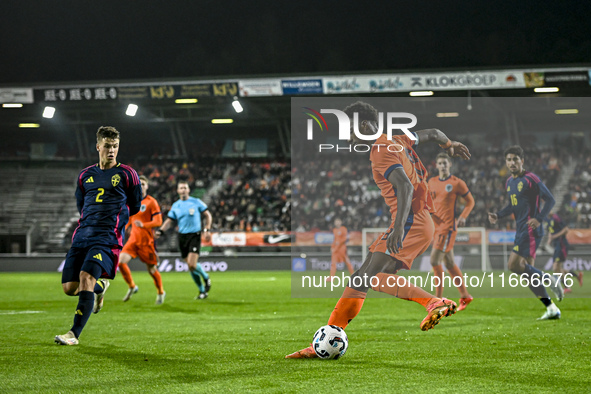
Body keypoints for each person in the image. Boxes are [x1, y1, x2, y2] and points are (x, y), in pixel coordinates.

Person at [286, 101, 471, 358]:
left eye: (350, 131)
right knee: (361, 277)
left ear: (363, 126)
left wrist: (397, 229)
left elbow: (405, 187)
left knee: (370, 277)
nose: (348, 138)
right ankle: (325, 339)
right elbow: (433, 133)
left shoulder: (380, 150)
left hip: (410, 222)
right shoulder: (398, 139)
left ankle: (434, 302)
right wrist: (449, 145)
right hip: (418, 220)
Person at [55, 126, 142, 345]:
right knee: (69, 288)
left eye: (115, 146)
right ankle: (100, 288)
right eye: (107, 146)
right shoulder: (85, 175)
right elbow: (82, 206)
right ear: (98, 147)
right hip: (82, 235)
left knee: (86, 277)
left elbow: (135, 206)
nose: (111, 150)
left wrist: (114, 219)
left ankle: (73, 334)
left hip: (107, 238)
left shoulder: (127, 174)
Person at [488, 145, 563, 320]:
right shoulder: (509, 182)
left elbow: (550, 199)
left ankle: (549, 278)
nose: (512, 162)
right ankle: (551, 308)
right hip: (520, 229)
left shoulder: (531, 178)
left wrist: (539, 218)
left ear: (522, 161)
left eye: (515, 159)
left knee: (513, 265)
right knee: (528, 276)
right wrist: (498, 215)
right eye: (509, 160)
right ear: (506, 162)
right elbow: (513, 206)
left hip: (531, 229)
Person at [428, 153, 475, 311]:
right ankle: (465, 296)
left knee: (434, 260)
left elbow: (470, 202)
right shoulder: (431, 182)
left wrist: (463, 216)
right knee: (448, 263)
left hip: (448, 228)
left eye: (445, 163)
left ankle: (438, 301)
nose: (442, 165)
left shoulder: (457, 183)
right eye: (440, 163)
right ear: (436, 165)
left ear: (450, 165)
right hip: (436, 227)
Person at [155, 181, 212, 299]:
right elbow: (169, 221)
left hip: (194, 235)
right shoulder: (176, 205)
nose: (183, 190)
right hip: (182, 236)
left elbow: (208, 214)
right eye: (181, 188)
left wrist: (207, 229)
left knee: (192, 264)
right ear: (178, 191)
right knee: (190, 267)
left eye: (185, 188)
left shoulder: (196, 202)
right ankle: (202, 291)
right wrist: (161, 230)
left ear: (189, 190)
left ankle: (206, 277)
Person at [119, 175, 166, 304]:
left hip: (146, 242)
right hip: (133, 240)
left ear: (147, 186)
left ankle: (161, 292)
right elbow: (129, 217)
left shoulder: (151, 202)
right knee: (121, 261)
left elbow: (158, 221)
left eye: (143, 184)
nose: (141, 186)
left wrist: (144, 225)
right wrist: (127, 226)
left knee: (151, 270)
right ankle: (132, 286)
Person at [546, 212, 583, 293]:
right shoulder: (548, 220)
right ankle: (577, 275)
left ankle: (567, 287)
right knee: (558, 269)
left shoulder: (556, 217)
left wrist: (554, 236)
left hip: (562, 245)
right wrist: (549, 239)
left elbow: (566, 229)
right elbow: (551, 231)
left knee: (556, 268)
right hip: (556, 245)